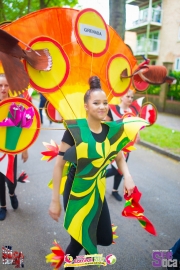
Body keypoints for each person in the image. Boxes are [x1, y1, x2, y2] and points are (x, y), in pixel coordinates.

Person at [48, 76, 145, 269]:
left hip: (97, 190)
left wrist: (127, 176)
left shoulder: (110, 131)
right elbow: (59, 165)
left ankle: (87, 257)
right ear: (86, 106)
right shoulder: (74, 130)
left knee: (105, 237)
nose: (102, 107)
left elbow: (118, 157)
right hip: (76, 190)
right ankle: (71, 264)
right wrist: (55, 200)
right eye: (96, 103)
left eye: (105, 103)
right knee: (78, 239)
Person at [0, 73, 28, 220]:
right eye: (0, 85)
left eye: (6, 85)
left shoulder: (15, 106)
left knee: (10, 180)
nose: (3, 88)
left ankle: (12, 193)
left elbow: (23, 129)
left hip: (11, 149)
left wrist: (24, 149)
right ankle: (2, 206)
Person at [105, 88, 140, 201]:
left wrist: (137, 134)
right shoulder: (112, 109)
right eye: (127, 96)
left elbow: (135, 126)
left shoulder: (133, 112)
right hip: (113, 144)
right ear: (121, 97)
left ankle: (115, 190)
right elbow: (105, 124)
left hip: (126, 146)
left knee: (121, 169)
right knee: (116, 169)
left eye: (132, 97)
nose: (130, 99)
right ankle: (94, 177)